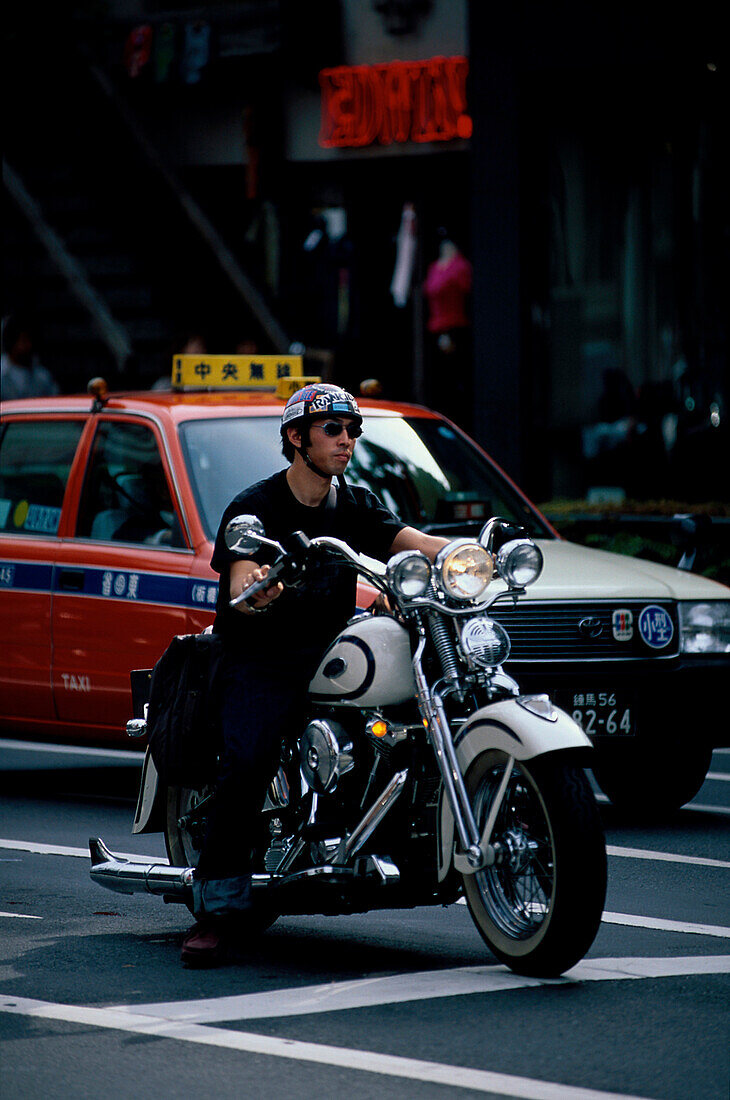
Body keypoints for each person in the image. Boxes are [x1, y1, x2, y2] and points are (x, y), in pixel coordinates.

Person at [181, 383, 450, 966]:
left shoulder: (352, 502)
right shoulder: (255, 508)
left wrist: (460, 556)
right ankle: (217, 908)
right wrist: (256, 590)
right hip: (261, 655)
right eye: (333, 429)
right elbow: (239, 578)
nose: (346, 440)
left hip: (329, 647)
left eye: (352, 429)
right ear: (296, 437)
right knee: (248, 758)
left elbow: (409, 539)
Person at [1, 316, 59, 400]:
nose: (28, 346)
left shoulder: (42, 377)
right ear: (11, 342)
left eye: (30, 340)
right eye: (23, 341)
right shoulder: (2, 374)